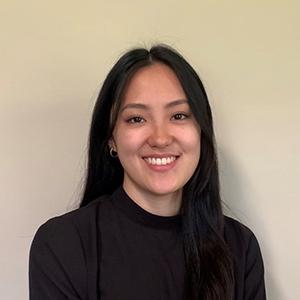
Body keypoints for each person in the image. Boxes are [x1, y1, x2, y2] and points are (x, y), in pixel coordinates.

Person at [29, 45, 266, 300]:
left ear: (201, 131)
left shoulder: (239, 247)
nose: (161, 138)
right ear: (111, 138)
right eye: (137, 119)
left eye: (178, 115)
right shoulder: (63, 245)